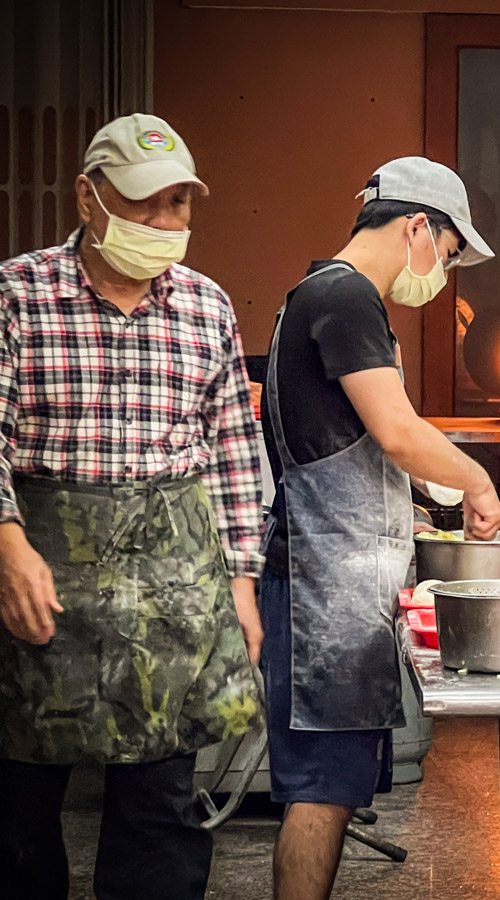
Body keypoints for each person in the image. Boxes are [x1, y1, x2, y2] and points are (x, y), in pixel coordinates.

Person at [0, 114, 264, 899]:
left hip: (171, 608)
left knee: (160, 823)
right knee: (16, 823)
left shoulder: (206, 309)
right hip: (34, 597)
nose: (163, 223)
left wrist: (241, 586)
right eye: (145, 202)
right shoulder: (18, 295)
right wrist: (8, 544)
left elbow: (233, 458)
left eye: (179, 204)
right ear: (88, 196)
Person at [260, 156, 500, 900]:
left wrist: (423, 492)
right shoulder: (345, 297)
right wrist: (475, 479)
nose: (444, 272)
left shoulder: (326, 296)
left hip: (337, 590)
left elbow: (363, 438)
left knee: (331, 789)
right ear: (417, 226)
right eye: (451, 252)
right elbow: (396, 430)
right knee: (322, 792)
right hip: (320, 596)